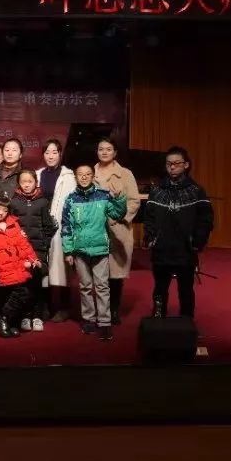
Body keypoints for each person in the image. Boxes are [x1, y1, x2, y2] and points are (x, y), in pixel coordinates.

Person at [144, 146, 214, 319]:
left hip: (185, 249)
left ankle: (187, 321)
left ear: (186, 165)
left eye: (176, 163)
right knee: (160, 289)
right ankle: (158, 321)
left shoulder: (196, 190)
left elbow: (205, 219)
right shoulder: (157, 190)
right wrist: (151, 238)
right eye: (169, 164)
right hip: (161, 250)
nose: (172, 167)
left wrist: (197, 242)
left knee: (186, 290)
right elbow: (149, 217)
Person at [61, 164, 127, 341]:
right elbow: (66, 226)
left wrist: (119, 199)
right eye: (80, 174)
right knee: (85, 286)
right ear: (76, 177)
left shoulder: (103, 196)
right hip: (79, 250)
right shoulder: (71, 199)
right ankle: (89, 319)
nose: (84, 177)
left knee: (102, 286)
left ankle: (105, 322)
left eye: (87, 174)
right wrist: (68, 251)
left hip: (100, 249)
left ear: (93, 176)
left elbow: (118, 214)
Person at [94, 138, 141, 325]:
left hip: (117, 229)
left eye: (108, 149)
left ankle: (113, 310)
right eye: (101, 149)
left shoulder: (125, 174)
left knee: (115, 274)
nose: (104, 152)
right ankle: (100, 310)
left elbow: (134, 201)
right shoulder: (90, 173)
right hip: (95, 230)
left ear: (115, 153)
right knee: (98, 273)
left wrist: (118, 217)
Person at [0, 196, 40, 338]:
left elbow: (23, 244)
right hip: (2, 267)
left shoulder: (13, 223)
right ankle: (3, 320)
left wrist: (33, 258)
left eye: (4, 210)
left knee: (23, 293)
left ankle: (5, 320)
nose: (0, 213)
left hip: (17, 264)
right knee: (10, 295)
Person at [10, 170, 57, 332]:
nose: (27, 185)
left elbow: (49, 226)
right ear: (19, 183)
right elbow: (11, 226)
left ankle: (37, 316)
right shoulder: (14, 202)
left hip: (38, 250)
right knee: (23, 285)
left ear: (35, 182)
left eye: (30, 181)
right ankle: (25, 315)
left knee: (37, 283)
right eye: (23, 182)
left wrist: (44, 244)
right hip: (20, 251)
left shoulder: (43, 202)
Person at [36, 139, 77, 323]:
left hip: (61, 226)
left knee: (62, 266)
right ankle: (46, 306)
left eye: (54, 152)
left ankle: (64, 307)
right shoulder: (38, 174)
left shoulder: (69, 176)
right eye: (47, 152)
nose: (50, 156)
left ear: (60, 154)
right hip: (41, 226)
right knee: (43, 265)